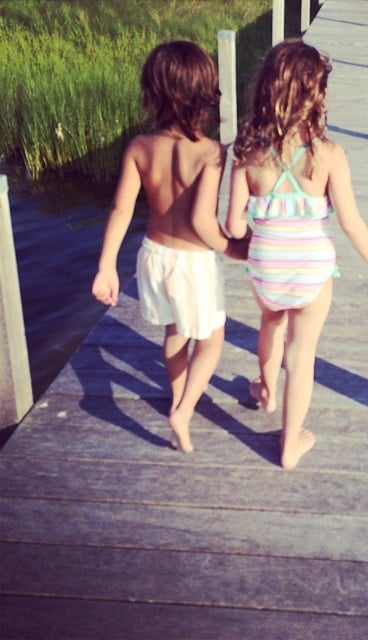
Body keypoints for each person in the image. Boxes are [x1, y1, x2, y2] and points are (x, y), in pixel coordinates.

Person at [225, 38, 368, 470]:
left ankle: (265, 392)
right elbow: (351, 221)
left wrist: (257, 250)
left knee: (270, 322)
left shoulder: (246, 153)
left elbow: (233, 226)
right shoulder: (329, 155)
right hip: (312, 270)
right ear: (316, 97)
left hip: (267, 268)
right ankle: (290, 442)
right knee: (302, 357)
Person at [92, 41, 247, 454]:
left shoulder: (140, 147)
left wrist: (106, 266)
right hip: (193, 262)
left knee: (175, 331)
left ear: (154, 93)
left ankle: (179, 398)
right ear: (205, 95)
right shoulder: (211, 152)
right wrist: (235, 250)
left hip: (153, 256)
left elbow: (121, 209)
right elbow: (202, 223)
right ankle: (184, 409)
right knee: (212, 339)